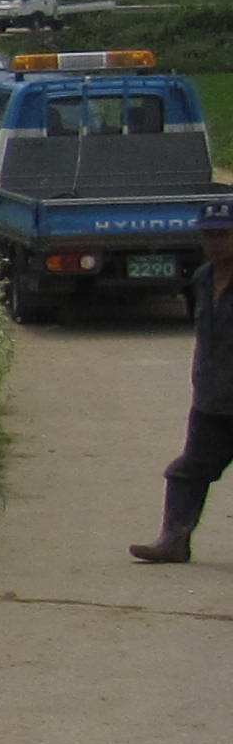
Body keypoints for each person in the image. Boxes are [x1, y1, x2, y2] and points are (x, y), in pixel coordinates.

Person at [129, 216, 233, 564]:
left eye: (223, 234)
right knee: (187, 471)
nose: (215, 242)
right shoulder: (203, 278)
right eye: (209, 235)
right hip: (211, 400)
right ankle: (173, 540)